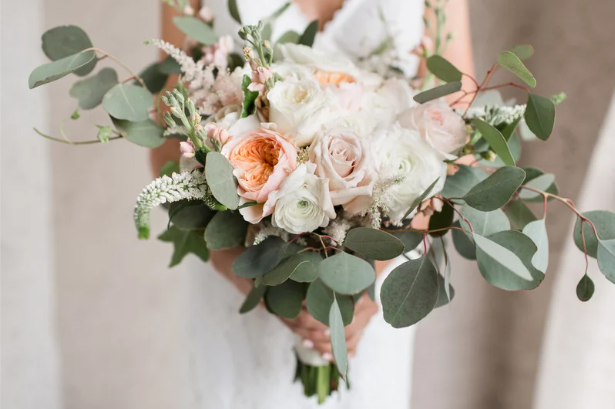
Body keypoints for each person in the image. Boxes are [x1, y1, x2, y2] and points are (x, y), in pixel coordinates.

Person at [151, 1, 473, 407]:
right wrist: (245, 275)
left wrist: (369, 279)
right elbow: (167, 126)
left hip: (376, 284)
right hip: (242, 271)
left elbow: (460, 131)